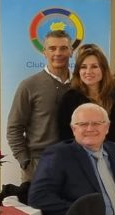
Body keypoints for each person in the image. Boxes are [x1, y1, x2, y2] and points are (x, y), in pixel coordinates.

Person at [7, 29, 72, 182]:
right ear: (44, 52)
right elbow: (14, 128)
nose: (58, 53)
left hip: (72, 163)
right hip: (38, 163)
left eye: (63, 48)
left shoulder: (79, 85)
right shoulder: (29, 85)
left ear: (71, 51)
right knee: (34, 207)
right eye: (52, 48)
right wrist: (25, 162)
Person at [56, 44, 115, 141]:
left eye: (94, 66)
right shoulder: (69, 99)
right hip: (78, 154)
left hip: (114, 154)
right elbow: (65, 136)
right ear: (78, 71)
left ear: (103, 70)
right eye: (83, 67)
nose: (88, 71)